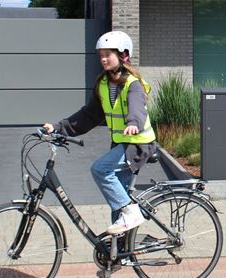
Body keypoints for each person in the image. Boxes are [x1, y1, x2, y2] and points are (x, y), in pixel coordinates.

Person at [43, 30, 156, 235]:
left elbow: (136, 109)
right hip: (121, 144)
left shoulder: (133, 84)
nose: (103, 59)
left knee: (100, 169)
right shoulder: (102, 84)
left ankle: (132, 213)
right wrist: (58, 127)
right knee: (118, 202)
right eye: (101, 54)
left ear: (123, 55)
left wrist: (133, 123)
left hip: (138, 144)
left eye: (108, 54)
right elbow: (89, 115)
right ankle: (118, 252)